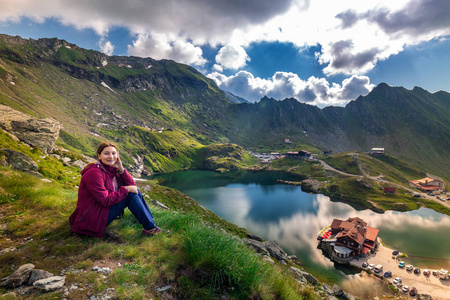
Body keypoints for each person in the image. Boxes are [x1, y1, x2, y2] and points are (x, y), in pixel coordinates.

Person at [69, 142, 168, 237]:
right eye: (106, 153)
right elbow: (105, 201)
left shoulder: (111, 169)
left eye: (113, 153)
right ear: (99, 156)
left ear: (118, 155)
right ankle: (150, 228)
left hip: (100, 212)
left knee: (133, 191)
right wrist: (126, 189)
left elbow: (132, 185)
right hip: (90, 219)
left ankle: (150, 223)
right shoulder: (94, 173)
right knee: (130, 194)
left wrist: (121, 169)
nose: (110, 157)